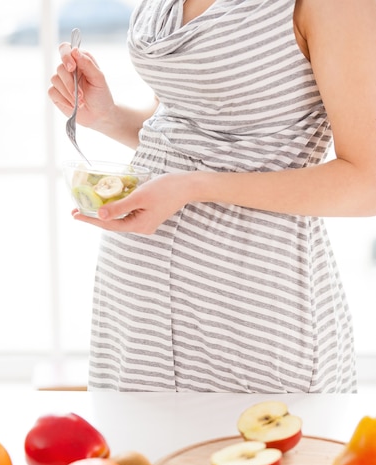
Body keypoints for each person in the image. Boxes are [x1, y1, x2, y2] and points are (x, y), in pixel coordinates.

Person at [48, 0, 376, 393]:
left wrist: (194, 186)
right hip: (133, 309)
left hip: (250, 310)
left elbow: (367, 182)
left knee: (253, 451)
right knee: (135, 453)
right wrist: (107, 117)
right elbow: (186, 129)